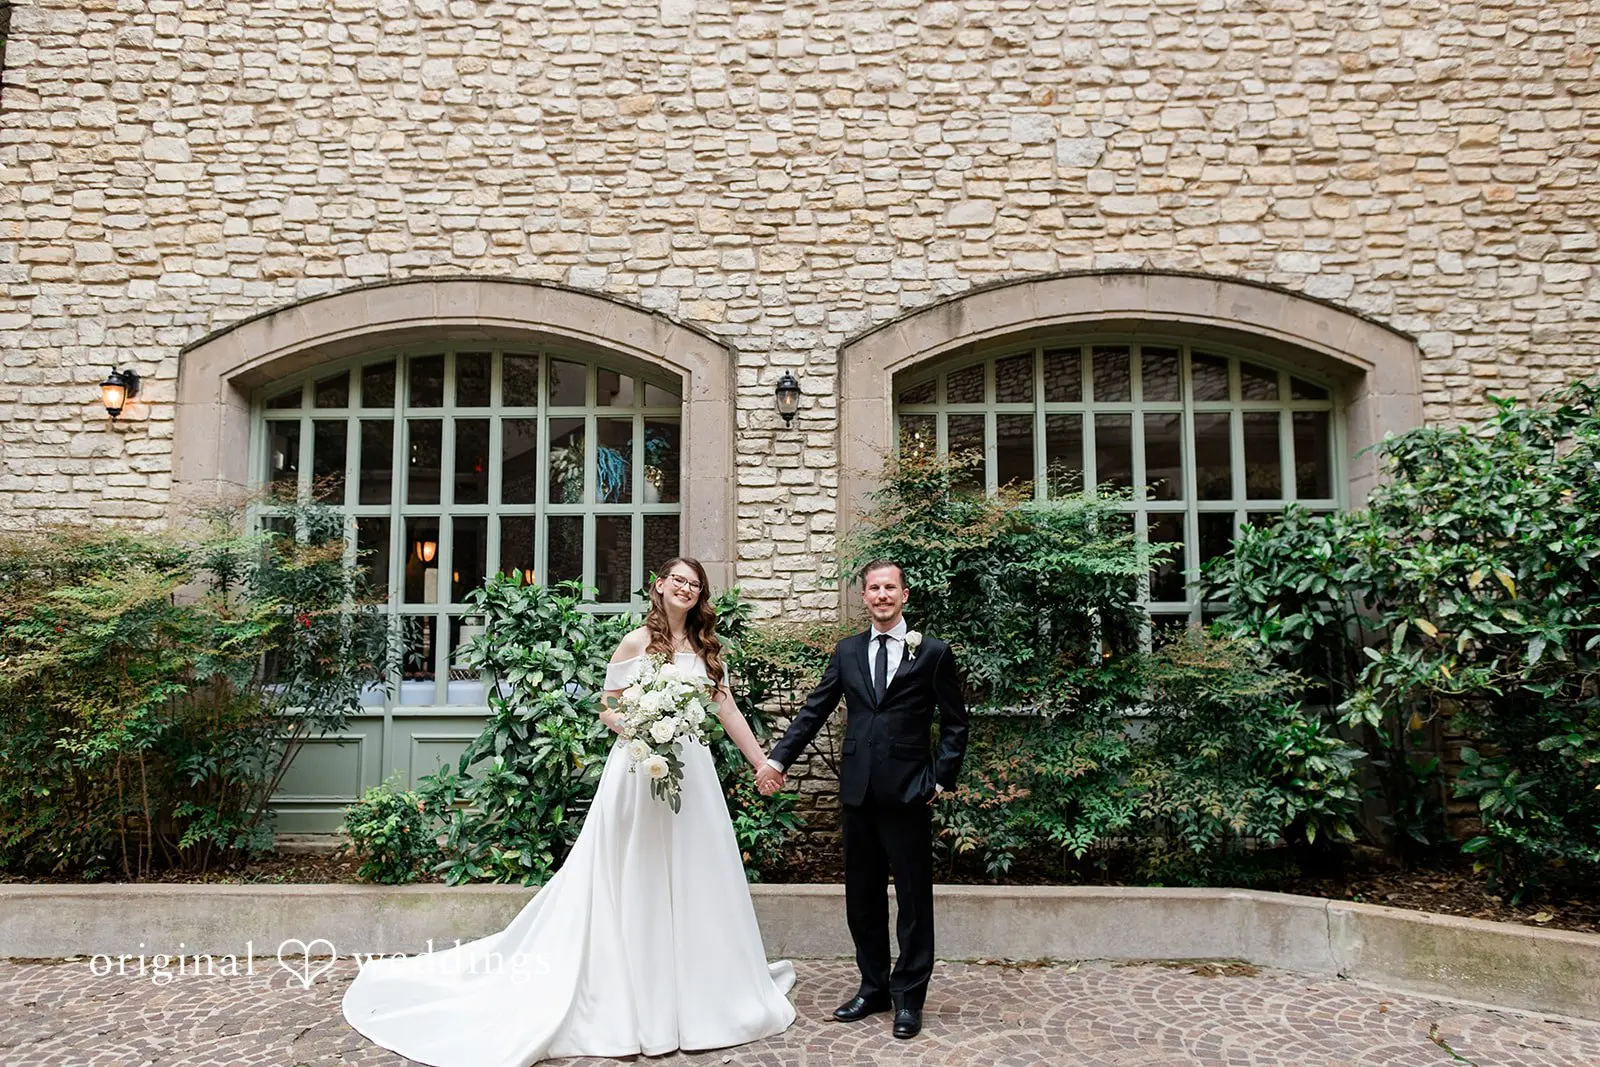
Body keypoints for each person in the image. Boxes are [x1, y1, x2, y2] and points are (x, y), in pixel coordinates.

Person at [342, 557, 796, 1067]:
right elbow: (607, 705)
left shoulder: (709, 651)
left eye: (695, 584)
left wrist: (764, 763)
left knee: (696, 872)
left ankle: (701, 994)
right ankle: (635, 997)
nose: (686, 589)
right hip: (640, 770)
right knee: (634, 875)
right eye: (678, 581)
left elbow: (726, 709)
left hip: (691, 776)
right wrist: (641, 726)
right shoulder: (634, 642)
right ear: (660, 585)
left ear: (700, 595)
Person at [756, 558, 968, 1040]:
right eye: (873, 588)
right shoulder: (847, 651)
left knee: (914, 901)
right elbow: (815, 710)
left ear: (904, 595)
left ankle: (908, 998)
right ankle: (873, 987)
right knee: (862, 898)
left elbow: (955, 723)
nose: (881, 595)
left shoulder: (932, 653)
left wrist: (939, 780)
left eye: (889, 587)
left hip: (910, 792)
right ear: (864, 597)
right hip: (858, 793)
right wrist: (777, 760)